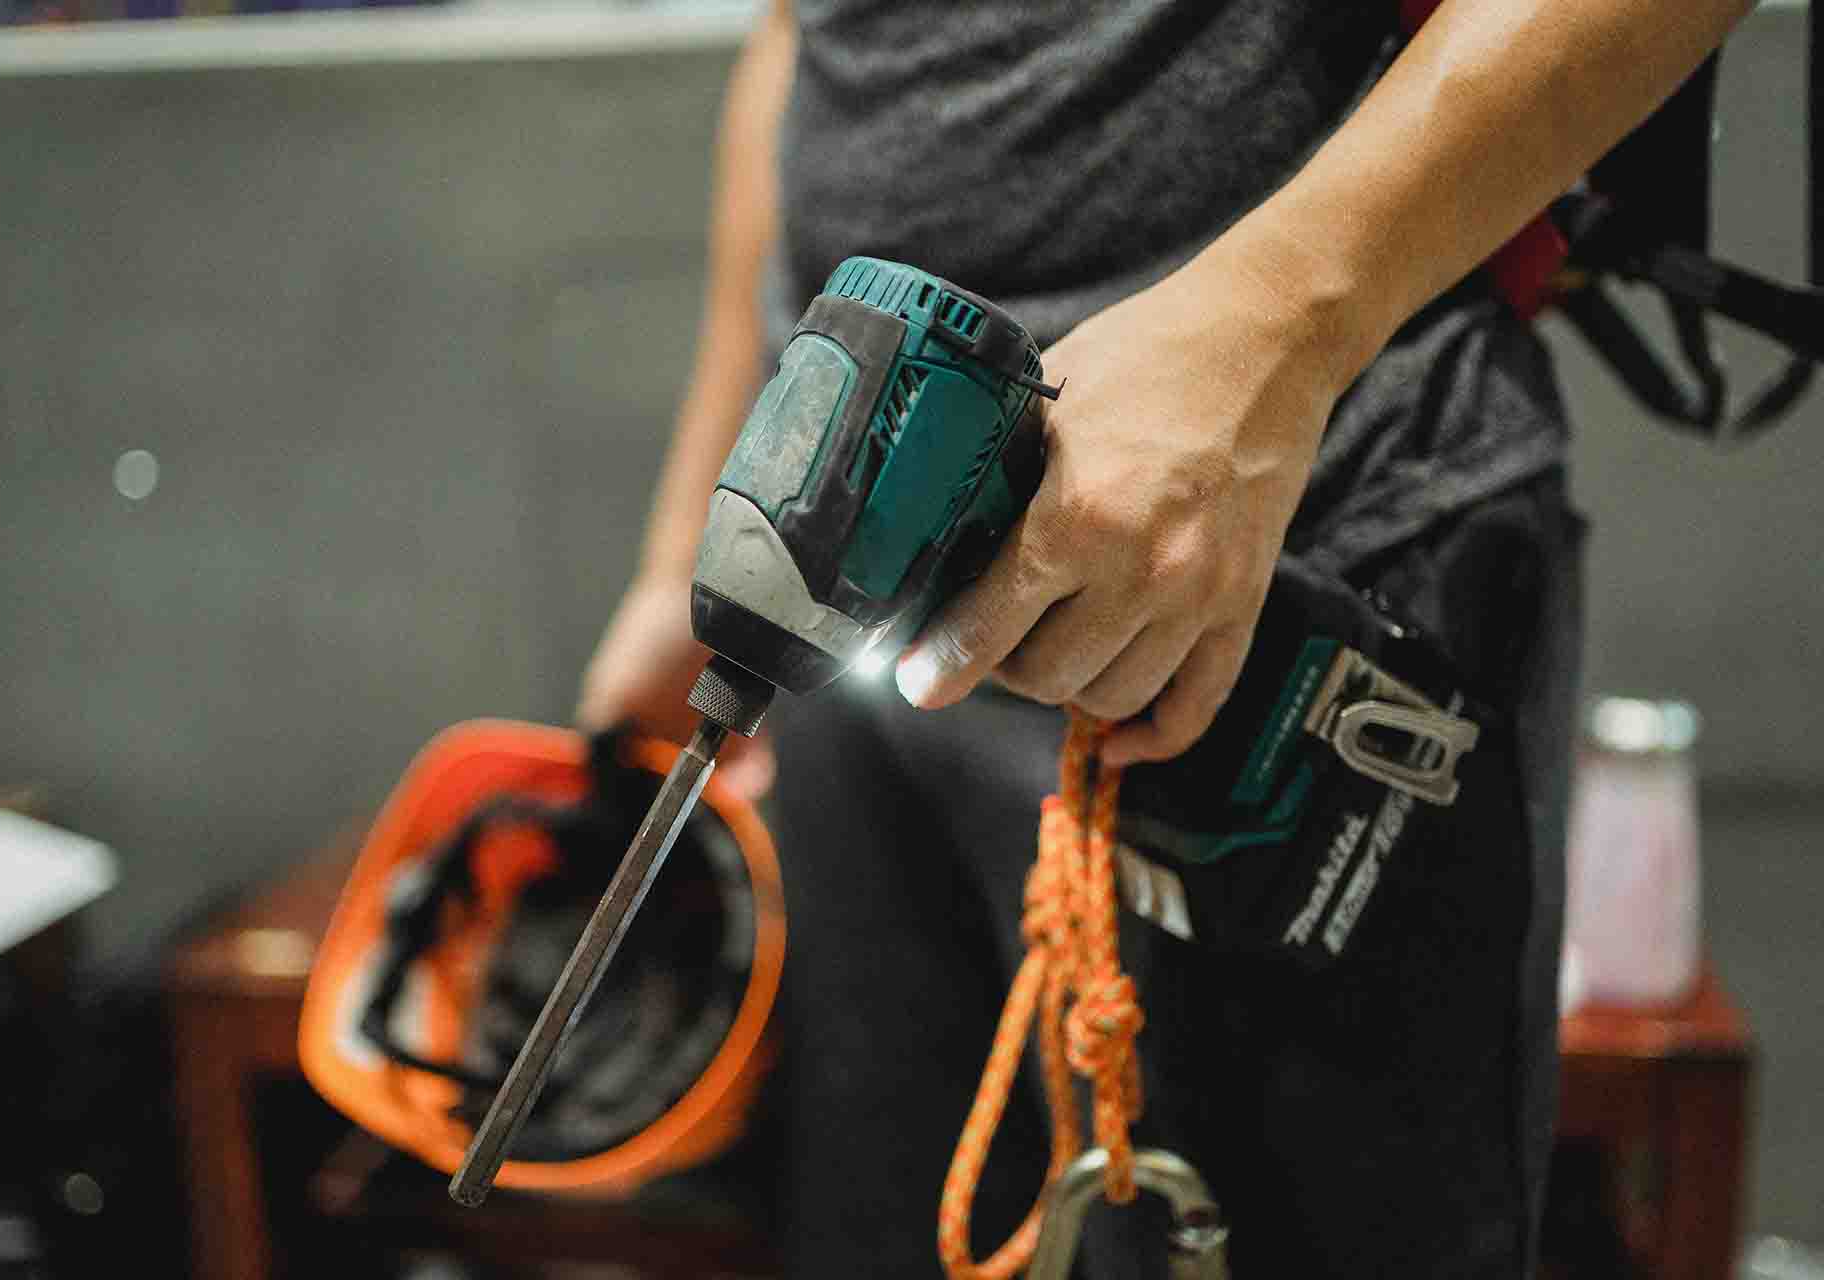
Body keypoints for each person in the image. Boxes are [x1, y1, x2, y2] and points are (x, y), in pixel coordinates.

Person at [577, 1, 1750, 1274]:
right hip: (872, 585)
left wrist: (1276, 332)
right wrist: (693, 529)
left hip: (1282, 559)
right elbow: (811, 35)